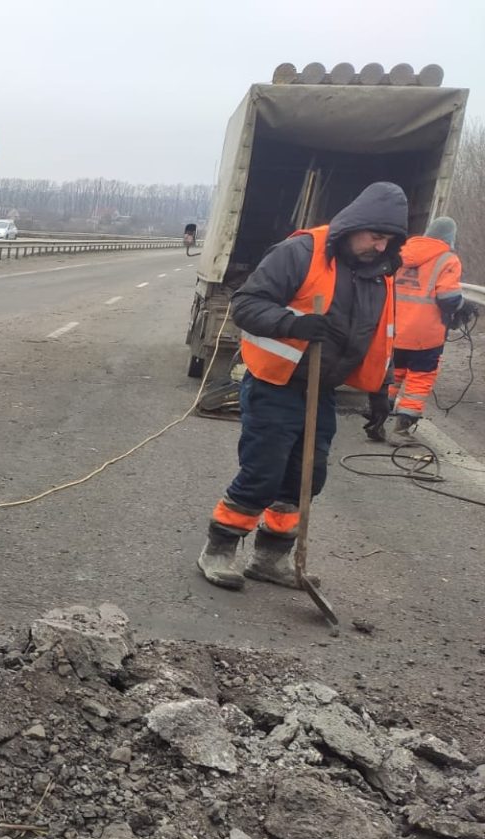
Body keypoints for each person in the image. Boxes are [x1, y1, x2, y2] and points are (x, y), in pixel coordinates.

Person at [197, 182, 408, 591]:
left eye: (388, 241)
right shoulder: (301, 253)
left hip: (319, 389)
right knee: (263, 473)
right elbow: (246, 305)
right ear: (355, 225)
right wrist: (292, 324)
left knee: (306, 477)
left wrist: (380, 388)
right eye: (375, 237)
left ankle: (269, 558)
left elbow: (379, 334)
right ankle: (219, 549)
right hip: (275, 382)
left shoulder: (377, 274)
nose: (380, 248)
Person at [366, 216, 471, 444]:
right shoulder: (447, 259)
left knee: (394, 376)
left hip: (394, 330)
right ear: (450, 238)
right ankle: (400, 430)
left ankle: (378, 421)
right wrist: (463, 306)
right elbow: (448, 298)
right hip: (426, 335)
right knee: (419, 381)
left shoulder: (402, 251)